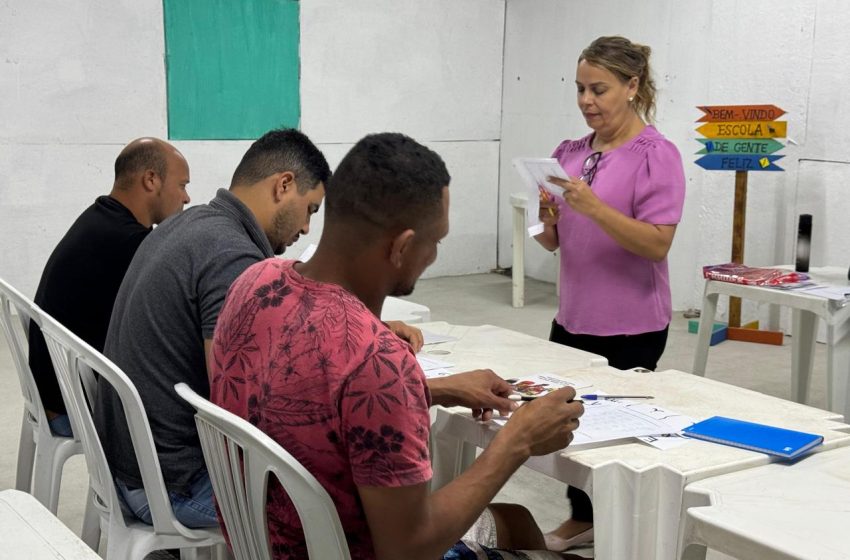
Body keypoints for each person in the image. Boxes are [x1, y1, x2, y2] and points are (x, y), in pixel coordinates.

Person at [210, 132, 586, 560]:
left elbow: (310, 396)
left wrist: (436, 389)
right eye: (436, 241)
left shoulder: (256, 282)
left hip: (262, 539)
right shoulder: (378, 363)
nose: (434, 256)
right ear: (403, 246)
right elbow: (407, 550)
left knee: (516, 521)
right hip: (348, 548)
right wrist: (514, 443)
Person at [94, 128, 331, 528]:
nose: (307, 229)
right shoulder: (232, 254)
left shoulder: (193, 224)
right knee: (343, 508)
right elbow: (244, 406)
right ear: (284, 185)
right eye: (311, 209)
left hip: (128, 468)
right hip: (173, 486)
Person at [533, 36, 686, 551]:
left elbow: (657, 244)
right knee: (568, 426)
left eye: (599, 89)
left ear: (632, 87)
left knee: (619, 431)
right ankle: (584, 519)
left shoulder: (656, 156)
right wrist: (547, 218)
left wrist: (593, 207)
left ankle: (628, 526)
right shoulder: (568, 153)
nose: (586, 101)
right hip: (574, 315)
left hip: (633, 321)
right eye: (580, 89)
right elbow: (551, 241)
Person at [28, 138, 190, 437]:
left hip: (49, 391)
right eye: (182, 185)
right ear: (151, 180)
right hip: (71, 406)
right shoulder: (129, 244)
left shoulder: (100, 218)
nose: (187, 197)